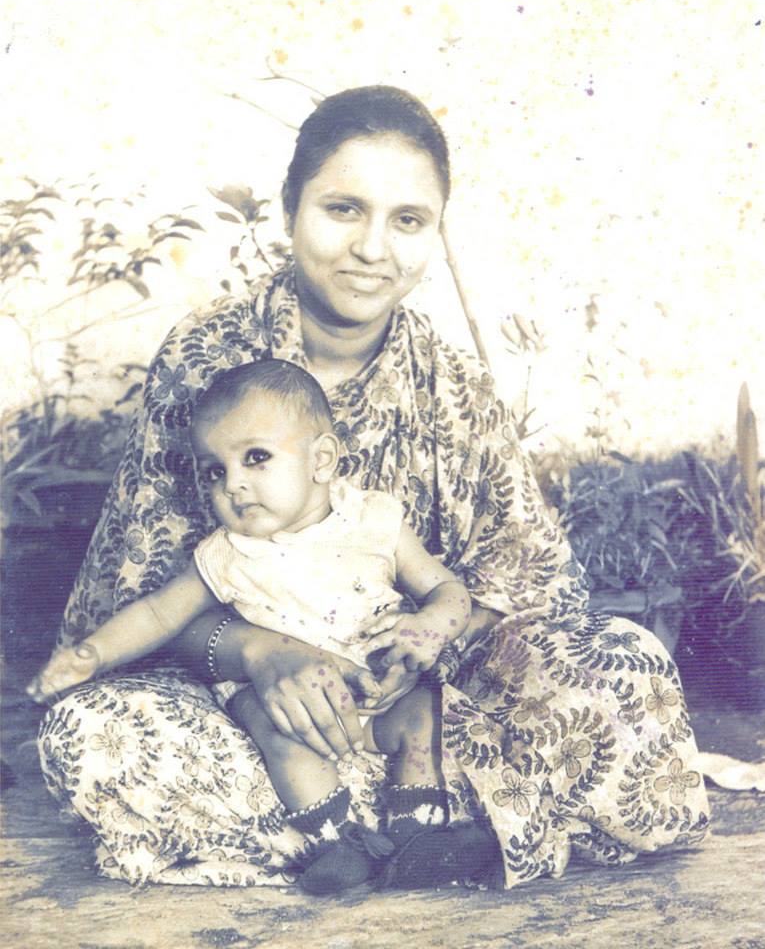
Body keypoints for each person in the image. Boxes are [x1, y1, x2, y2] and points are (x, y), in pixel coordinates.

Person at [36, 85, 709, 891]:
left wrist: (420, 647)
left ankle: (374, 828)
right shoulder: (206, 357)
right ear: (291, 208)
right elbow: (144, 595)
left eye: (408, 220)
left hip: (418, 705)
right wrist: (262, 654)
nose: (371, 249)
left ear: (435, 231)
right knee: (88, 734)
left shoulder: (452, 382)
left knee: (625, 665)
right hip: (259, 716)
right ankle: (460, 826)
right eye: (343, 209)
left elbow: (526, 583)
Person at [30, 359, 498, 893]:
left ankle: (418, 836)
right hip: (287, 711)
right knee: (276, 731)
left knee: (427, 714)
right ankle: (338, 844)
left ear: (321, 459)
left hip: (385, 693)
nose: (233, 485)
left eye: (256, 458)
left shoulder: (375, 520)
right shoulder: (227, 553)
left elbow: (448, 591)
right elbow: (159, 613)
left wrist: (431, 625)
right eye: (215, 471)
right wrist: (92, 653)